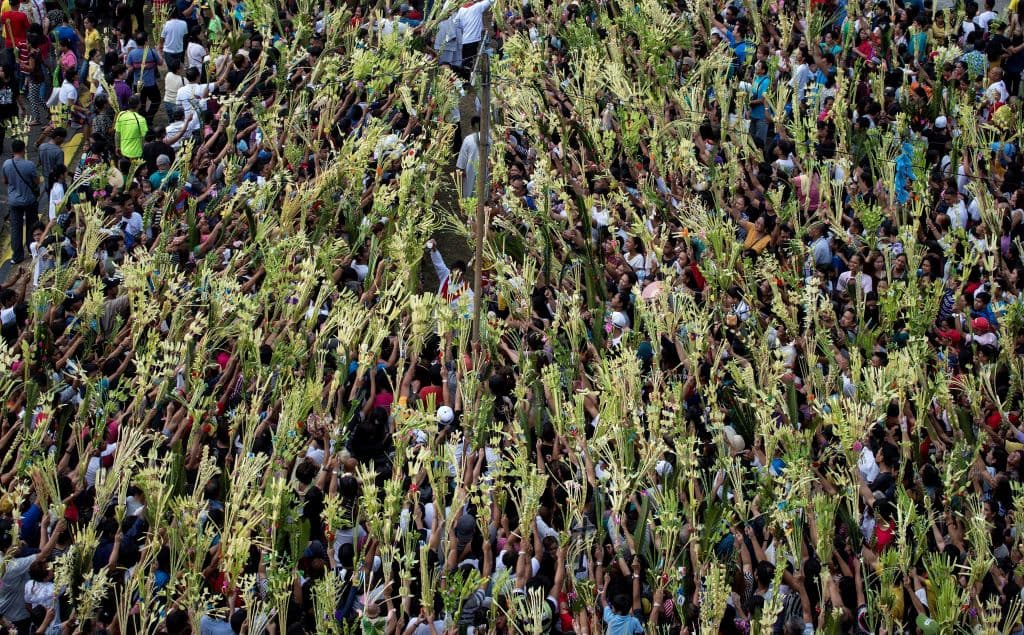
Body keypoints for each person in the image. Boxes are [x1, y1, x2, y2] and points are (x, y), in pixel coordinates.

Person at [2, 138, 39, 264]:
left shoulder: (6, 164)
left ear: (12, 150)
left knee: (15, 228)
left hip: (14, 202)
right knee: (32, 225)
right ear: (24, 149)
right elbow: (36, 182)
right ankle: (32, 249)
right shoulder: (29, 165)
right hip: (29, 200)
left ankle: (17, 256)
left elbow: (5, 181)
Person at [126, 31, 162, 121]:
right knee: (156, 100)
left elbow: (128, 67)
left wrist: (137, 66)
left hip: (137, 83)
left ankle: (143, 119)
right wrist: (158, 52)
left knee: (141, 103)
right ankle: (149, 117)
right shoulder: (152, 52)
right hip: (150, 84)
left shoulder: (132, 53)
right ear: (146, 41)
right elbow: (160, 63)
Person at [114, 94, 148, 159]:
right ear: (139, 105)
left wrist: (117, 147)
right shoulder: (141, 120)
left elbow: (117, 133)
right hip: (136, 154)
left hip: (123, 152)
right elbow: (143, 139)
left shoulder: (121, 114)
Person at [455, 115, 480, 198]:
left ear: (472, 127)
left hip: (470, 172)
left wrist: (461, 169)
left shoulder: (468, 139)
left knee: (469, 195)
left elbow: (462, 158)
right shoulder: (489, 139)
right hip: (485, 172)